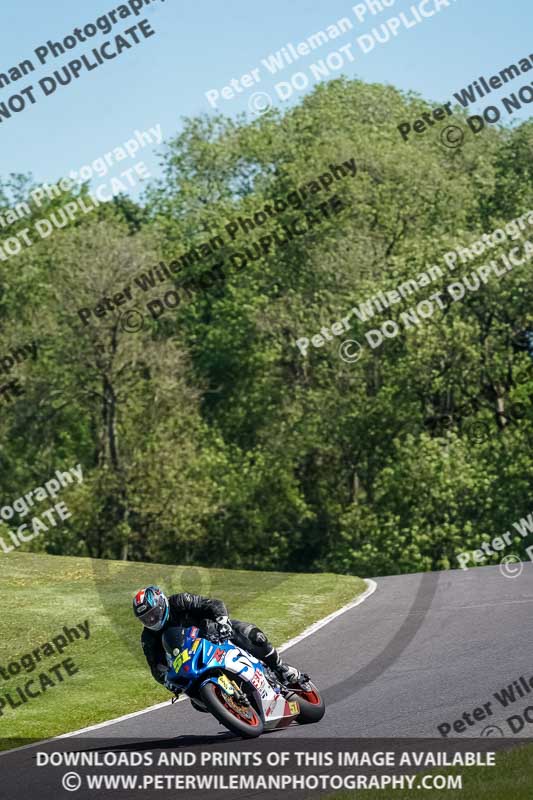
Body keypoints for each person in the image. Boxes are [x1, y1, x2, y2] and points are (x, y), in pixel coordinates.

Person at [133, 585, 301, 693]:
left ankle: (280, 668)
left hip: (213, 634)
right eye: (146, 619)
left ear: (162, 603)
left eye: (154, 614)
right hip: (189, 661)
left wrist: (222, 621)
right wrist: (167, 682)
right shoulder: (148, 637)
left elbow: (213, 604)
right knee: (196, 702)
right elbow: (156, 667)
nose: (152, 621)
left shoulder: (180, 601)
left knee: (252, 635)